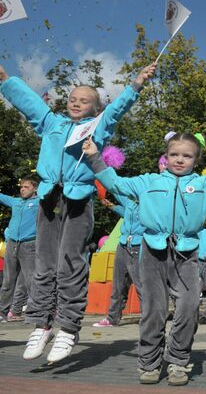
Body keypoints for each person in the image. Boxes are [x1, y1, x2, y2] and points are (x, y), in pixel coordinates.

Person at [0, 60, 156, 363]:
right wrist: (5, 79)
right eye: (73, 98)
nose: (76, 102)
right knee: (44, 265)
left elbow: (117, 110)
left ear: (95, 109)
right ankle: (42, 325)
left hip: (77, 201)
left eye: (84, 100)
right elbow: (28, 102)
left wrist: (136, 83)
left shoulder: (98, 126)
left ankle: (69, 328)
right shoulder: (50, 123)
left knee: (70, 264)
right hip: (49, 199)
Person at [84, 133, 206, 385]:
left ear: (195, 159)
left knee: (188, 307)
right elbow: (116, 184)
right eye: (174, 154)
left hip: (187, 254)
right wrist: (94, 157)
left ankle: (178, 360)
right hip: (153, 252)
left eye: (187, 156)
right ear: (166, 157)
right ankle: (149, 362)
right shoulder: (149, 181)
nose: (179, 160)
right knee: (153, 311)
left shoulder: (204, 184)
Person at [93, 194, 145, 327]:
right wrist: (111, 206)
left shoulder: (151, 201)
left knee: (141, 285)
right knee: (118, 284)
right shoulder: (130, 201)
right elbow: (125, 212)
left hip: (138, 245)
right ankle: (112, 317)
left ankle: (149, 317)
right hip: (123, 244)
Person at [0, 177, 39, 322]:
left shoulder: (39, 202)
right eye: (21, 187)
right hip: (12, 244)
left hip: (29, 245)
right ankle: (2, 312)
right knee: (7, 281)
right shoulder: (16, 202)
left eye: (26, 187)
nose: (22, 189)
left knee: (31, 281)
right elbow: (2, 197)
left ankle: (35, 313)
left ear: (35, 188)